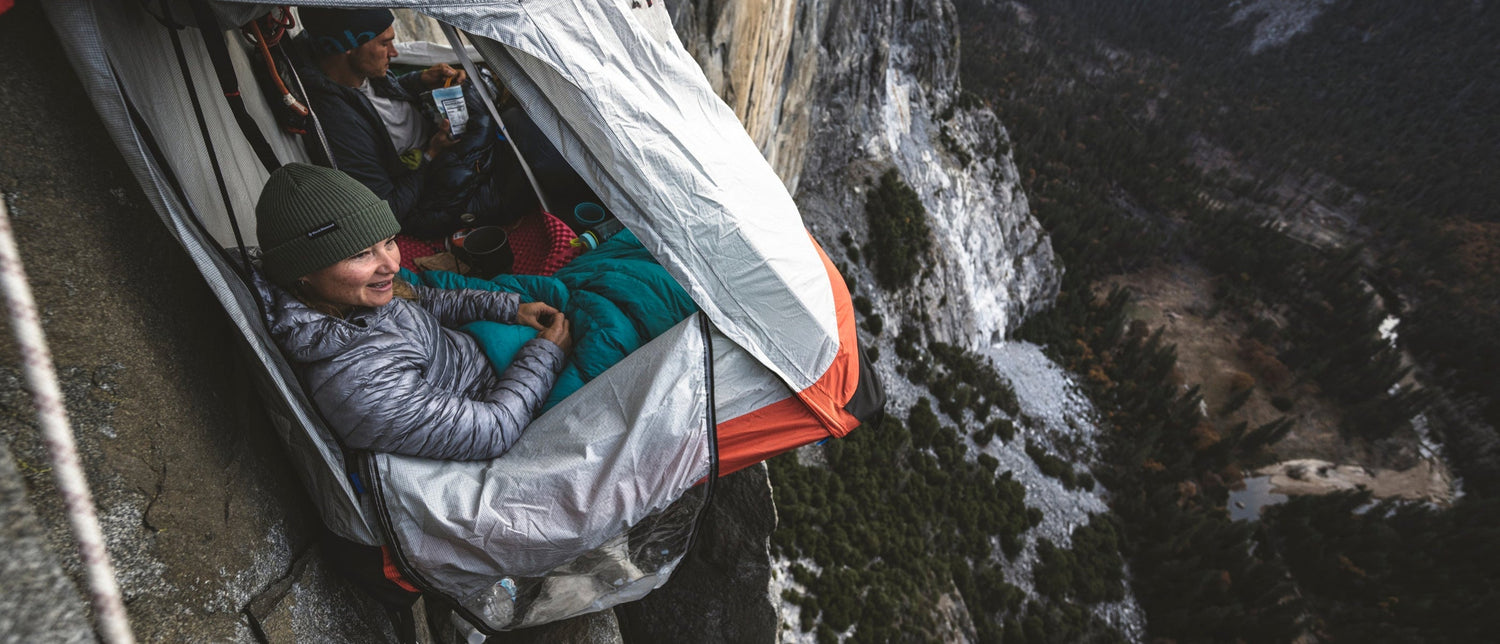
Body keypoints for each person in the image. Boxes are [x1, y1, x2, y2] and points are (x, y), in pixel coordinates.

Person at [256, 163, 572, 460]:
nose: (393, 265)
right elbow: (493, 429)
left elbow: (418, 298)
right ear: (302, 272)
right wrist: (546, 354)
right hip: (499, 398)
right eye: (360, 254)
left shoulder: (352, 296)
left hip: (485, 356)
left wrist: (510, 308)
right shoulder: (359, 384)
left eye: (389, 242)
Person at [296, 7, 596, 238]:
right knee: (541, 149)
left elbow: (382, 101)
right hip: (432, 191)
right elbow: (388, 211)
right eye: (385, 44)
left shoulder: (358, 72)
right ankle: (597, 205)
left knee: (533, 114)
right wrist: (431, 154)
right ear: (349, 46)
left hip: (444, 138)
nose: (395, 53)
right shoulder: (341, 125)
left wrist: (419, 80)